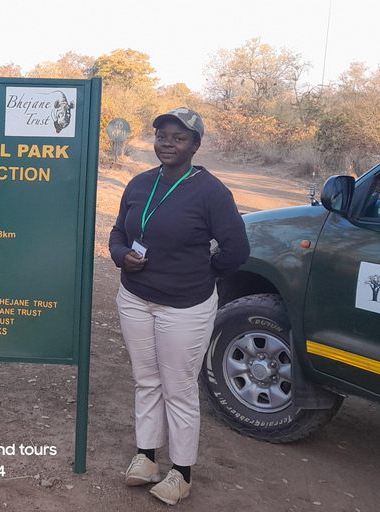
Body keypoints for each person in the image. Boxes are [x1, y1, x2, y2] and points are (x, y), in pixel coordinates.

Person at [109, 108, 249, 505]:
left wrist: (204, 273)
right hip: (135, 298)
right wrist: (122, 256)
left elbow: (237, 250)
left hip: (185, 307)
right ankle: (146, 457)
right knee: (146, 380)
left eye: (179, 137)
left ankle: (181, 472)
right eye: (162, 136)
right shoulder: (139, 183)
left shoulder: (211, 192)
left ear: (195, 145)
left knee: (179, 388)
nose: (167, 143)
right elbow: (119, 232)